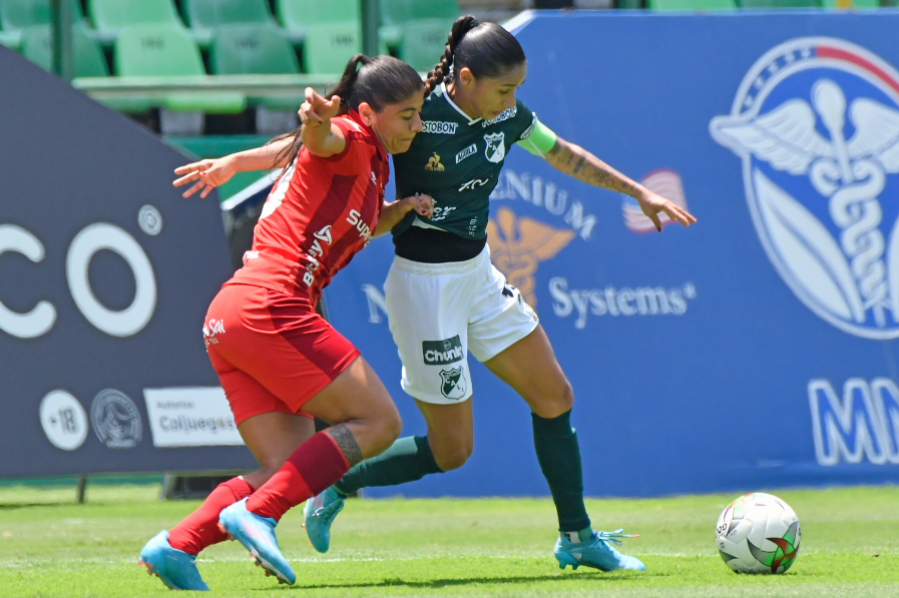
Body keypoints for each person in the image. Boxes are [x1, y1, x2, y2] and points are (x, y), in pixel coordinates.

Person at [175, 16, 696, 575]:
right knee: (453, 452)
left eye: (517, 90)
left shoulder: (506, 116)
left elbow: (561, 153)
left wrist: (636, 191)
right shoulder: (413, 117)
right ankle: (337, 480)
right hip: (426, 288)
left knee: (554, 396)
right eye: (504, 89)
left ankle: (577, 536)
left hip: (478, 274)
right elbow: (318, 144)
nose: (512, 102)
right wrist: (238, 162)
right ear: (466, 79)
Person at [137, 54, 433, 591]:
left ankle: (176, 545)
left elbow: (319, 175)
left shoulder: (371, 166)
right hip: (273, 306)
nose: (417, 125)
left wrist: (402, 208)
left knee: (287, 467)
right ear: (368, 113)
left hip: (234, 314)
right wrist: (315, 121)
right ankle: (259, 514)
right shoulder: (351, 137)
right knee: (380, 422)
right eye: (408, 115)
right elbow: (320, 140)